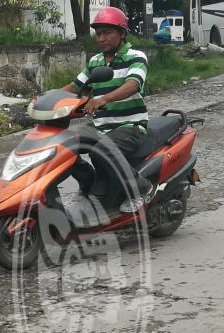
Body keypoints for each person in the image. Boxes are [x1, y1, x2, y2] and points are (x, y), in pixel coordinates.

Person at [61, 7, 151, 213]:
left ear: (121, 34)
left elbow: (133, 85)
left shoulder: (136, 56)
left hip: (129, 125)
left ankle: (140, 187)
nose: (101, 38)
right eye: (98, 34)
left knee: (102, 150)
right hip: (100, 125)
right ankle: (89, 183)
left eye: (107, 33)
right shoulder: (96, 62)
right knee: (61, 145)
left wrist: (103, 99)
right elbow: (75, 87)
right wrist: (46, 98)